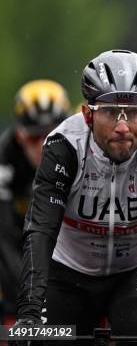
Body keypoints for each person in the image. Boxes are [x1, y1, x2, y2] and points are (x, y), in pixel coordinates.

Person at [11, 50, 137, 346]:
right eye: (110, 112)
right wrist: (29, 311)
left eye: (133, 113)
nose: (123, 127)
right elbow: (41, 229)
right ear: (87, 114)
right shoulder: (63, 145)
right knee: (45, 339)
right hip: (69, 272)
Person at [0, 80, 71, 321]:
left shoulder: (86, 151)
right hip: (20, 241)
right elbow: (4, 235)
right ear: (20, 136)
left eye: (52, 136)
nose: (43, 147)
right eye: (33, 138)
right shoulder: (5, 157)